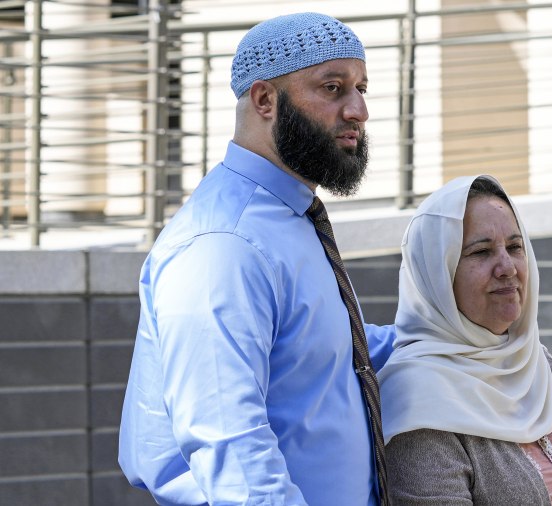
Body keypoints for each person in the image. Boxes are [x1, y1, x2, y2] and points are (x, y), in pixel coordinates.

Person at [118, 12, 395, 506]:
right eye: (333, 88)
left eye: (361, 88)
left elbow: (325, 352)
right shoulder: (225, 243)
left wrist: (453, 335)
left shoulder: (287, 221)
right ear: (265, 99)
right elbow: (231, 446)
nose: (358, 110)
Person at [378, 175, 552, 505]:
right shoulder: (419, 397)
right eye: (481, 251)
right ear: (437, 275)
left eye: (514, 247)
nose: (507, 267)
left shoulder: (536, 365)